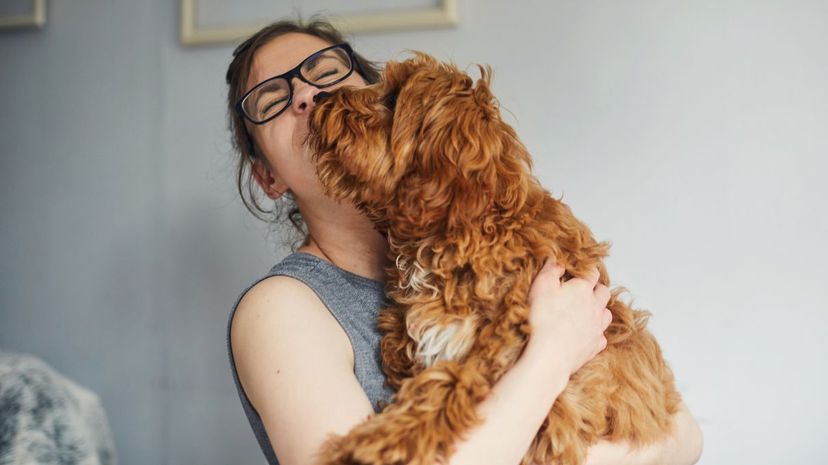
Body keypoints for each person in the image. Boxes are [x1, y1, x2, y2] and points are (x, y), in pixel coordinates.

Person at [225, 18, 703, 465]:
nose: (308, 96)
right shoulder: (281, 310)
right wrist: (552, 355)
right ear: (268, 176)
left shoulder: (501, 247)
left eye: (324, 71)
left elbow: (684, 437)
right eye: (270, 99)